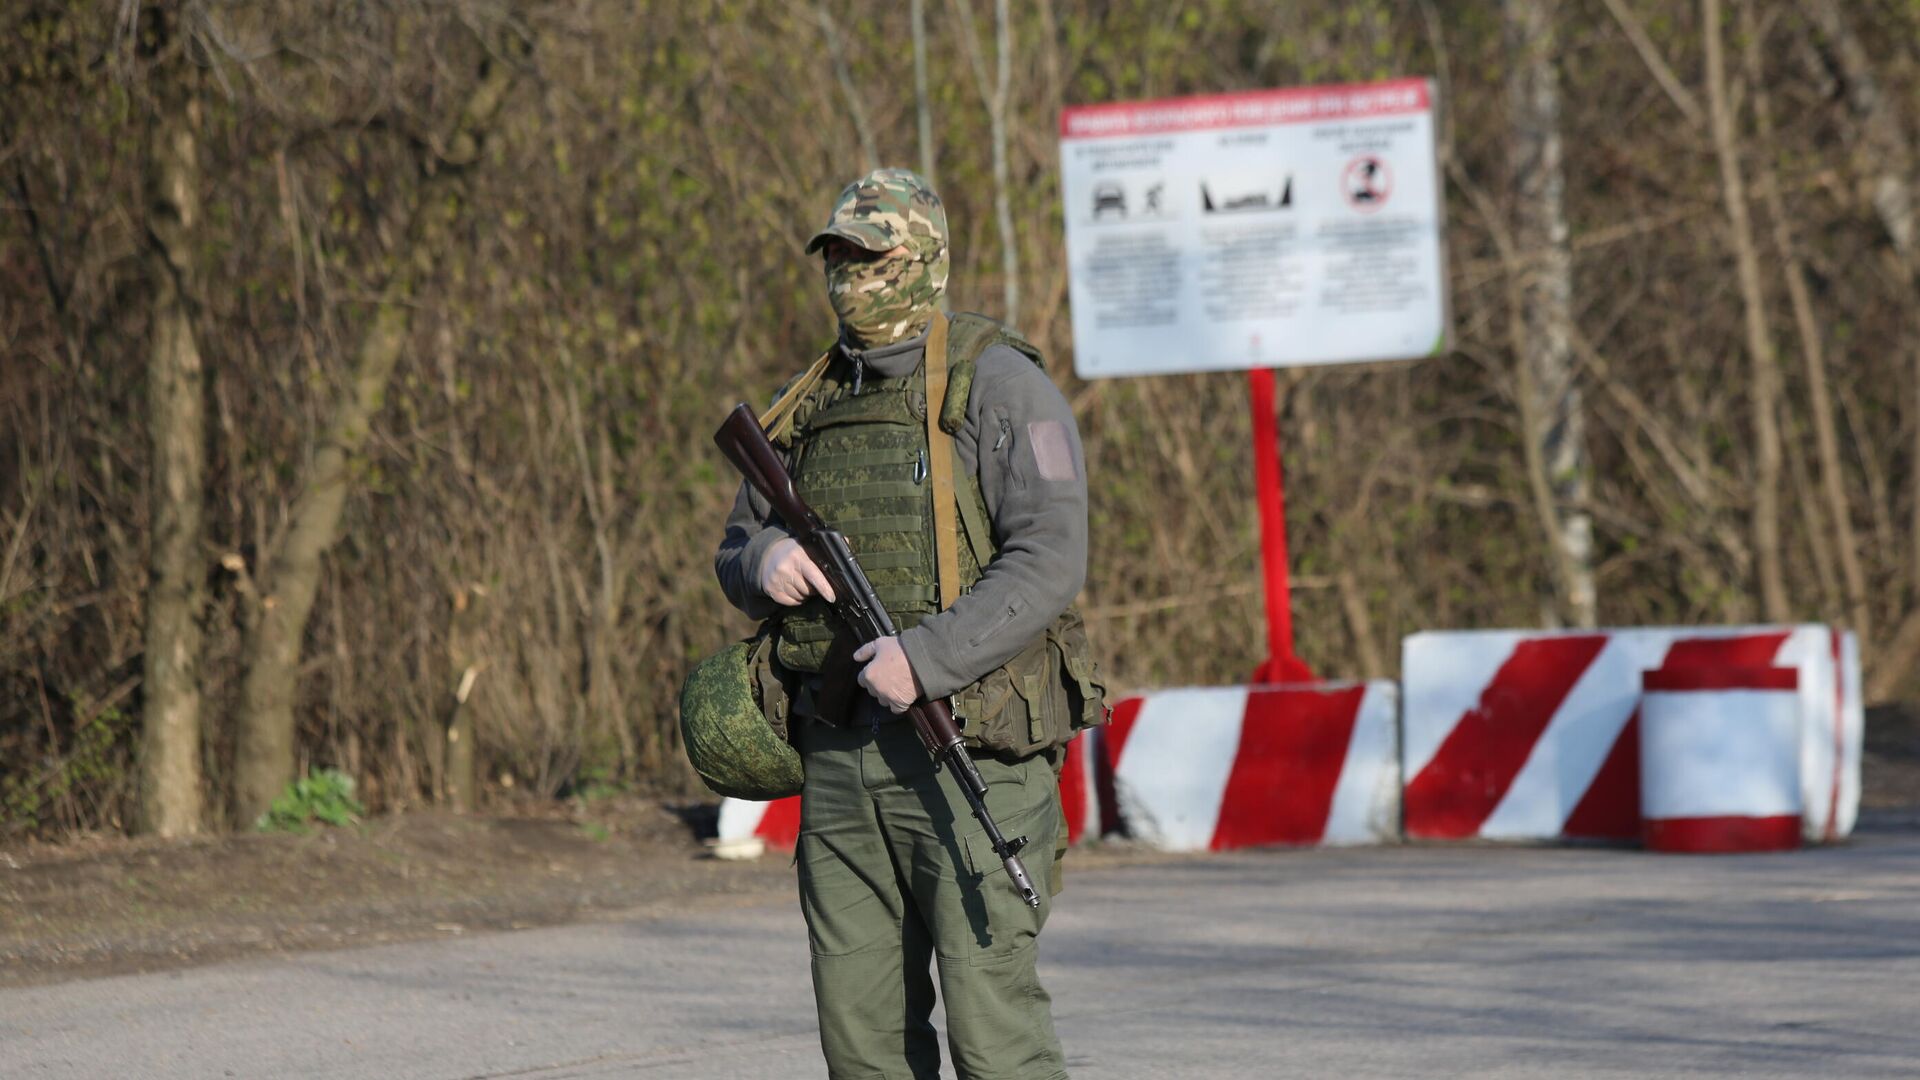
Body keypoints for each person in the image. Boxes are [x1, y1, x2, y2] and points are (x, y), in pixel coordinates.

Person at [714, 168, 1095, 1080]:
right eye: (836, 256)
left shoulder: (1000, 384)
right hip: (840, 760)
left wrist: (927, 658)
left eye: (869, 256)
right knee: (864, 1041)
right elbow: (735, 548)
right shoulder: (808, 399)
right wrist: (761, 565)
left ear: (923, 259)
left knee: (993, 1035)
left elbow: (1050, 555)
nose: (849, 275)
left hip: (971, 753)